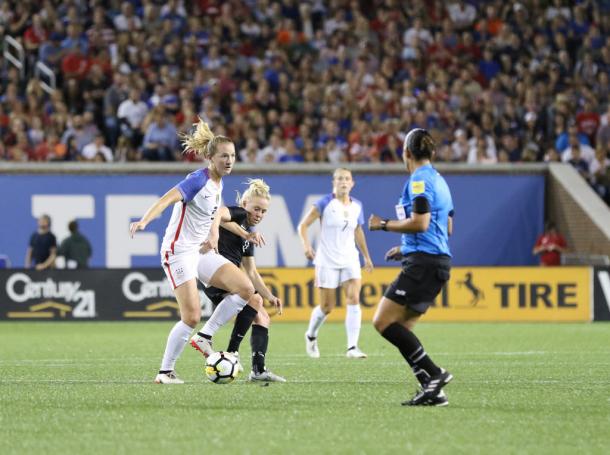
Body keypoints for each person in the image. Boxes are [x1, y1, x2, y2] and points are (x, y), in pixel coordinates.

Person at [130, 119, 264, 384]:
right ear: (210, 158)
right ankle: (165, 372)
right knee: (190, 315)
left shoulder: (218, 184)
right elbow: (166, 199)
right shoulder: (197, 180)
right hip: (178, 252)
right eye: (224, 156)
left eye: (233, 156)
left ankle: (205, 337)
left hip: (200, 252)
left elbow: (216, 215)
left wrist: (233, 233)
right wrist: (145, 220)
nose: (229, 161)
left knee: (246, 289)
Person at [368, 128, 454, 407]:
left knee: (382, 322)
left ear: (406, 153)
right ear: (433, 152)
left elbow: (421, 222)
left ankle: (435, 373)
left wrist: (383, 225)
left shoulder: (418, 181)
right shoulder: (440, 181)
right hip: (436, 262)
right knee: (402, 328)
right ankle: (433, 392)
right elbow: (447, 227)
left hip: (423, 264)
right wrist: (406, 247)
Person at [201, 178, 286, 382]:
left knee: (263, 317)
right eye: (256, 209)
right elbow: (219, 213)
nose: (259, 214)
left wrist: (270, 295)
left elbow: (251, 272)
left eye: (263, 211)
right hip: (218, 277)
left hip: (232, 281)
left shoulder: (250, 234)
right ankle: (232, 354)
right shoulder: (237, 214)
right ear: (245, 204)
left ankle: (258, 371)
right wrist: (217, 232)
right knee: (255, 301)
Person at [298, 168, 374, 359]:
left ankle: (352, 347)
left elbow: (358, 231)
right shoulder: (325, 203)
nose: (343, 182)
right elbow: (303, 225)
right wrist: (307, 246)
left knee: (354, 299)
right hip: (327, 260)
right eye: (340, 179)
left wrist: (366, 257)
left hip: (350, 258)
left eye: (347, 179)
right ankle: (311, 335)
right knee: (327, 307)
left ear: (352, 183)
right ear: (333, 182)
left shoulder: (357, 205)